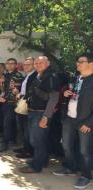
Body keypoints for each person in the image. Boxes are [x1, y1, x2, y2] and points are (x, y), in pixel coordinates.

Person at [52, 53, 93, 189]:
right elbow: (74, 96)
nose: (78, 64)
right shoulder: (76, 78)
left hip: (85, 121)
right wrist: (65, 95)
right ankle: (70, 168)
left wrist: (89, 123)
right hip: (69, 117)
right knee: (67, 146)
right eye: (77, 61)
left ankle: (86, 176)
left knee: (84, 151)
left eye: (81, 61)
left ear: (91, 63)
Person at [19, 56, 60, 173]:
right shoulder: (38, 76)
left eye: (41, 63)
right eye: (36, 63)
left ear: (48, 63)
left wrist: (46, 117)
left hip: (41, 114)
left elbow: (54, 98)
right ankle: (42, 160)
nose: (38, 65)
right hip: (33, 111)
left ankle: (35, 166)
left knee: (36, 140)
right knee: (40, 139)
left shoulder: (51, 77)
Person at [0, 58, 24, 152]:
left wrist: (5, 98)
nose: (9, 65)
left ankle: (5, 143)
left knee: (7, 123)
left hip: (12, 103)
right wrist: (1, 88)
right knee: (10, 123)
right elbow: (4, 89)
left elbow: (15, 91)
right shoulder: (6, 75)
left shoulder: (18, 75)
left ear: (16, 65)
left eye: (12, 63)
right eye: (8, 63)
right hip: (5, 102)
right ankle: (12, 139)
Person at [14, 57, 37, 158]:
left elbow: (32, 92)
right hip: (23, 103)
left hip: (29, 105)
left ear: (34, 65)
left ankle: (29, 151)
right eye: (25, 65)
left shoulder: (35, 76)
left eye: (29, 64)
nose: (26, 66)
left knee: (27, 129)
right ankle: (25, 148)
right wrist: (18, 92)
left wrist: (21, 95)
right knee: (23, 128)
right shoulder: (27, 76)